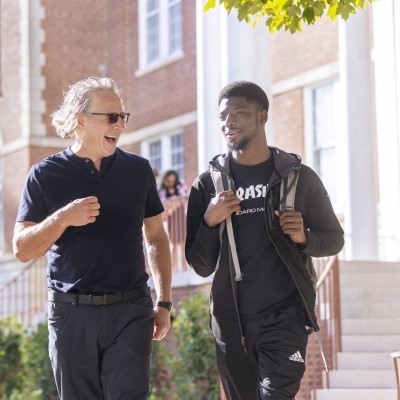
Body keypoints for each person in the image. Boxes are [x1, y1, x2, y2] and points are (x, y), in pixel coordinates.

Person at [12, 77, 172, 400]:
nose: (119, 126)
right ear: (80, 120)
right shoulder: (44, 175)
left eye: (122, 117)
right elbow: (21, 248)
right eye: (111, 117)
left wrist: (164, 301)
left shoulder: (138, 171)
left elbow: (155, 236)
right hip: (72, 314)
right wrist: (63, 218)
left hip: (130, 309)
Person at [185, 80, 344, 400]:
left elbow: (334, 239)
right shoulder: (208, 185)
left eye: (238, 113)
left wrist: (304, 238)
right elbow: (200, 265)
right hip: (231, 324)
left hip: (286, 321)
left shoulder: (298, 177)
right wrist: (209, 221)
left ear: (262, 116)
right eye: (222, 116)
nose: (228, 122)